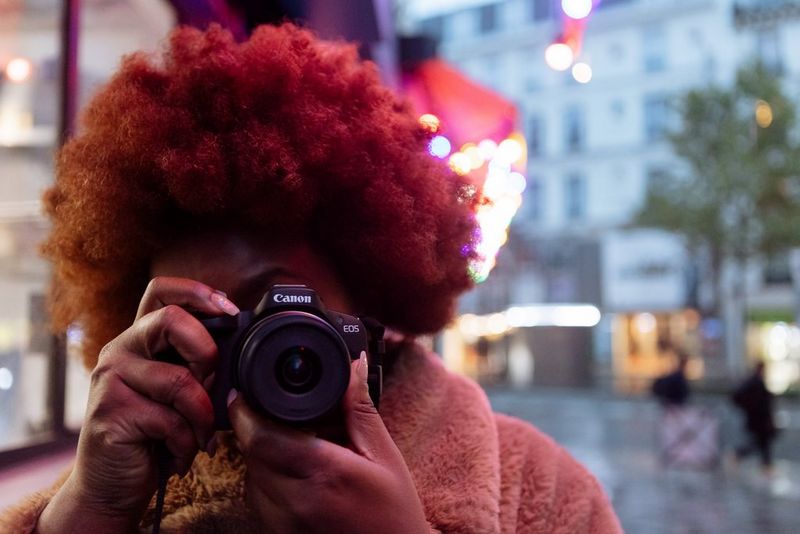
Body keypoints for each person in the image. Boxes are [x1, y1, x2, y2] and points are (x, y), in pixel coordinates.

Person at [0, 24, 620, 533]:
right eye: (198, 324)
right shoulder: (122, 488)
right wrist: (89, 513)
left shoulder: (542, 492)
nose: (237, 351)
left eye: (276, 311)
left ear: (367, 304)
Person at [732, 361, 777, 472]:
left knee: (761, 443)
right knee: (760, 443)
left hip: (757, 419)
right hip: (759, 419)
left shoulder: (754, 382)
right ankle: (739, 455)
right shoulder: (755, 382)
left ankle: (765, 465)